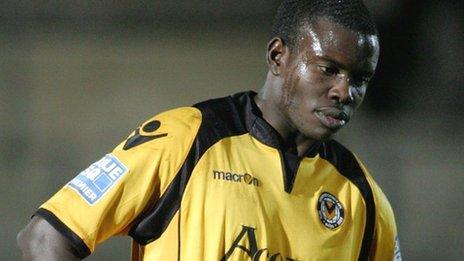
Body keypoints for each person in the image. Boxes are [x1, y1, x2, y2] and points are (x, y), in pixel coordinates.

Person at [17, 0, 402, 260]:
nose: (344, 91)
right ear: (277, 57)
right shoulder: (184, 140)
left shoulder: (363, 199)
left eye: (360, 78)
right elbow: (44, 239)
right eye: (329, 69)